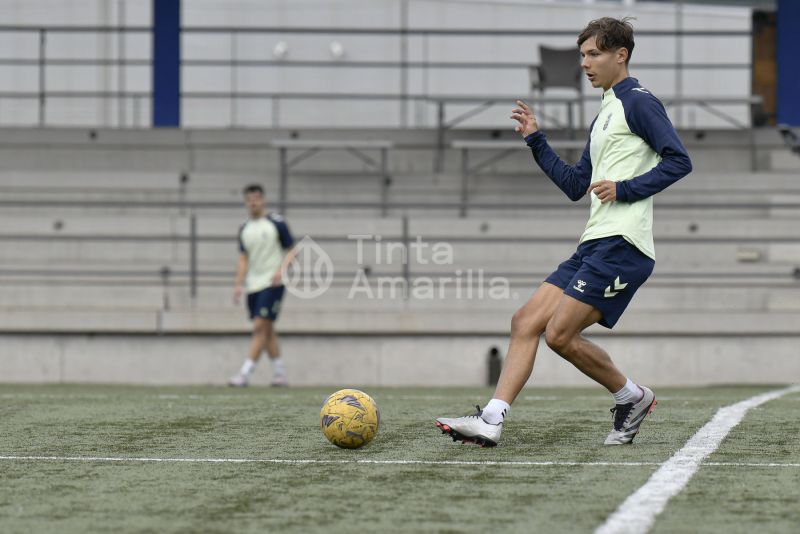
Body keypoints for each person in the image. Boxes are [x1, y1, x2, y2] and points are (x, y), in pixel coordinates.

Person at [436, 17, 692, 446]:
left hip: (624, 245)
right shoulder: (605, 112)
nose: (585, 64)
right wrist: (537, 140)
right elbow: (577, 185)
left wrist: (626, 188)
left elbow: (679, 160)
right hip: (593, 243)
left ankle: (633, 397)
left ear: (620, 55)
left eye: (593, 54)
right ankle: (492, 420)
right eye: (582, 55)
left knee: (559, 334)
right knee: (526, 321)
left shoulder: (639, 102)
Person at [228, 184, 297, 387]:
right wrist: (238, 285)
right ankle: (279, 373)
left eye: (257, 198)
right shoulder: (244, 228)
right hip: (253, 285)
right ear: (246, 202)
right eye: (249, 199)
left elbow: (293, 250)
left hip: (272, 283)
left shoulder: (276, 223)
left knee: (259, 326)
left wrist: (281, 270)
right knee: (267, 330)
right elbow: (243, 259)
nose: (253, 202)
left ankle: (245, 373)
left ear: (263, 199)